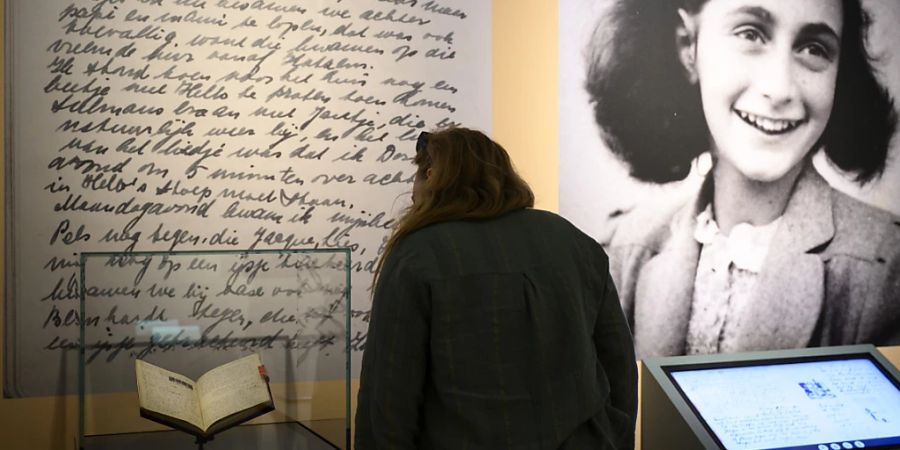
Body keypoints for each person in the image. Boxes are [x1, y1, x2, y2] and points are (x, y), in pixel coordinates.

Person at [584, 0, 900, 359]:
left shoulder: (888, 272)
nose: (780, 89)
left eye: (814, 48)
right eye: (751, 33)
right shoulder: (622, 252)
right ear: (689, 48)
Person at [355, 128, 637, 449]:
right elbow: (619, 364)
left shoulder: (418, 254)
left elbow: (388, 399)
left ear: (432, 176)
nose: (411, 193)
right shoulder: (571, 240)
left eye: (418, 176)